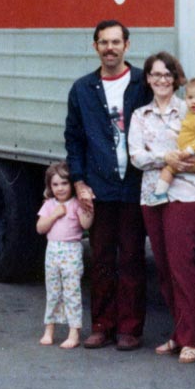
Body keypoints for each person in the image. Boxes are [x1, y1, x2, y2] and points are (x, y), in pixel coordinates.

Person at [128, 52, 195, 364]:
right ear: (147, 79)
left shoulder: (192, 107)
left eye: (167, 75)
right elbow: (135, 156)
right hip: (151, 195)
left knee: (181, 266)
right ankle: (178, 332)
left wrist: (187, 156)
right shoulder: (140, 116)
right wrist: (166, 158)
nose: (161, 80)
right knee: (163, 269)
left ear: (176, 79)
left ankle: (191, 340)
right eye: (155, 75)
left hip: (185, 194)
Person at [65, 19, 152, 351]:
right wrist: (79, 182)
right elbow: (73, 139)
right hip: (99, 188)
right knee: (101, 259)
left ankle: (130, 329)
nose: (110, 48)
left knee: (131, 258)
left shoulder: (143, 83)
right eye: (104, 42)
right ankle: (102, 325)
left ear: (127, 46)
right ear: (95, 47)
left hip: (133, 186)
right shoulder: (83, 89)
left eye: (116, 42)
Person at [37, 161, 93, 349]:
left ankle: (74, 331)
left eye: (64, 183)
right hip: (52, 251)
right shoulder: (49, 205)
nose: (60, 188)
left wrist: (88, 206)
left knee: (71, 292)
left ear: (71, 184)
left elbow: (86, 224)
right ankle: (49, 329)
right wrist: (54, 215)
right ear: (50, 186)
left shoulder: (76, 203)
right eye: (55, 184)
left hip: (71, 251)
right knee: (53, 291)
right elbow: (40, 228)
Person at [153, 77, 195, 219]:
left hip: (194, 158)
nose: (193, 101)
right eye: (190, 98)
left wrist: (189, 151)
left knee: (169, 169)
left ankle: (159, 195)